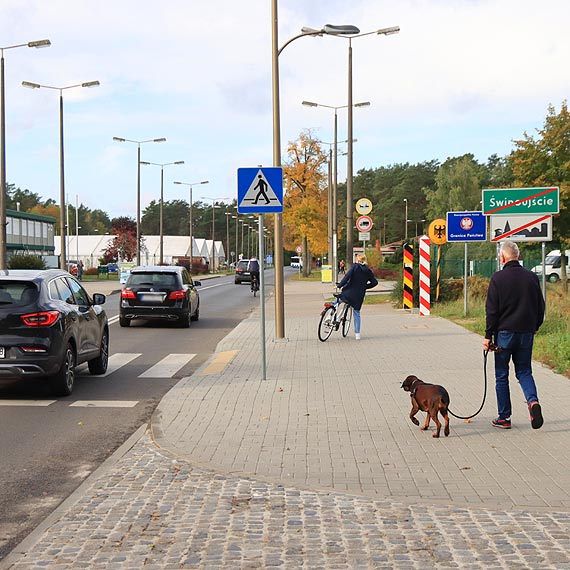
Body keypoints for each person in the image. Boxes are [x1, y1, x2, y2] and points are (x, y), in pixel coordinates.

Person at [483, 241, 545, 430]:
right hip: (526, 333)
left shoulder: (498, 278)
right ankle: (533, 402)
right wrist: (535, 325)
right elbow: (540, 306)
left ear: (502, 257)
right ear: (517, 256)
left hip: (504, 335)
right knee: (524, 371)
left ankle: (504, 417)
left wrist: (488, 336)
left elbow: (492, 311)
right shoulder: (531, 277)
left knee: (502, 375)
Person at [336, 254, 378, 340]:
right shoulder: (368, 271)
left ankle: (330, 315)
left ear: (357, 260)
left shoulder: (354, 267)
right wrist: (365, 287)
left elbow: (347, 277)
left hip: (348, 292)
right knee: (357, 313)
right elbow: (375, 283)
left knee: (337, 300)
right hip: (359, 295)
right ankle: (357, 334)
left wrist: (339, 285)